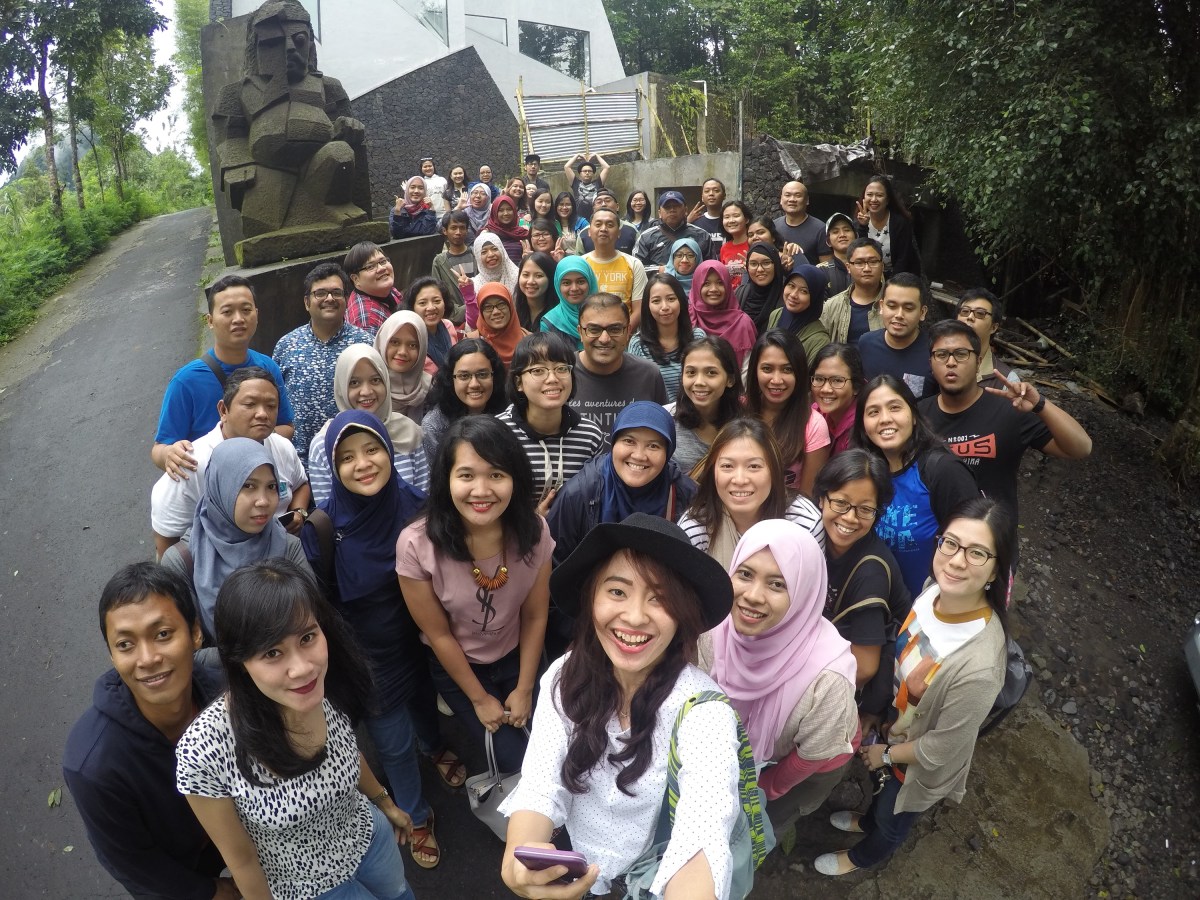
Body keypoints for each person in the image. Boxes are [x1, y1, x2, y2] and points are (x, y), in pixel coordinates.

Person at [498, 513, 743, 899]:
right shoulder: (565, 677)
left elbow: (704, 827)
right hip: (579, 862)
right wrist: (517, 859)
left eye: (660, 598)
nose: (634, 616)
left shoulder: (704, 712)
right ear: (591, 597)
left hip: (651, 875)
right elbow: (541, 783)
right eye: (617, 591)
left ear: (682, 615)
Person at [175, 559, 417, 900]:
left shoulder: (322, 685)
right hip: (310, 886)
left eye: (307, 637)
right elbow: (241, 861)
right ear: (239, 661)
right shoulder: (203, 751)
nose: (302, 668)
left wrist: (385, 803)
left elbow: (347, 751)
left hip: (370, 840)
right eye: (273, 652)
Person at [817, 497, 1010, 876]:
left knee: (893, 820)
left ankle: (862, 857)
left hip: (914, 763)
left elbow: (942, 749)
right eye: (950, 543)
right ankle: (866, 821)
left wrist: (888, 755)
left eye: (977, 553)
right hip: (892, 731)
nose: (956, 561)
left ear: (995, 570)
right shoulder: (931, 591)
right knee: (880, 797)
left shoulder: (980, 667)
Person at [303, 410, 445, 871]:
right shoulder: (322, 528)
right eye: (347, 458)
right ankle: (415, 814)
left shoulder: (419, 507)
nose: (362, 464)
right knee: (394, 743)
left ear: (389, 450)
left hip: (424, 642)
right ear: (333, 467)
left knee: (426, 704)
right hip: (370, 659)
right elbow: (321, 603)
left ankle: (436, 747)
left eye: (372, 449)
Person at [64, 563, 233, 900]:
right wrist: (212, 892)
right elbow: (133, 863)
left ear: (195, 633)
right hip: (179, 873)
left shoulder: (229, 696)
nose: (147, 659)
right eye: (125, 644)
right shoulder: (92, 765)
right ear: (112, 655)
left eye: (163, 634)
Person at [397, 417, 553, 773]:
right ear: (446, 479)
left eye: (496, 474)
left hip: (517, 655)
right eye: (466, 475)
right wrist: (480, 699)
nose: (481, 490)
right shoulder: (416, 544)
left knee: (548, 747)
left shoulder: (535, 531)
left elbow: (534, 615)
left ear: (515, 478)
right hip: (460, 665)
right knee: (514, 760)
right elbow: (439, 635)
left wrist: (525, 688)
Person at [703, 520, 860, 830]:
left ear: (804, 593)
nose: (753, 595)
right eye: (745, 574)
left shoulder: (829, 679)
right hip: (735, 751)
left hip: (803, 765)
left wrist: (763, 789)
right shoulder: (712, 629)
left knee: (760, 826)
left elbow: (813, 755)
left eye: (777, 584)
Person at [920, 319, 1092, 529]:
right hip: (938, 539)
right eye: (941, 354)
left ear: (978, 361)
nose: (951, 362)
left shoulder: (1011, 410)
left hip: (995, 539)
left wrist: (1040, 404)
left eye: (961, 354)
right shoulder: (918, 416)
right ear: (931, 363)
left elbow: (1081, 448)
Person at [160, 437, 312, 644]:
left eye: (271, 486)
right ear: (220, 487)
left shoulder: (288, 546)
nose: (263, 501)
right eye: (248, 486)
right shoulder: (183, 561)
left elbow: (310, 625)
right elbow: (182, 649)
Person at [151, 368, 310, 558]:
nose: (262, 414)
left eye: (271, 405)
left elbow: (301, 484)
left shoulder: (282, 447)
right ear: (223, 410)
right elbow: (167, 538)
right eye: (250, 404)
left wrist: (299, 511)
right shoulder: (191, 462)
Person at [152, 275, 295, 481]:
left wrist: (253, 439)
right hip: (209, 484)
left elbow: (286, 426)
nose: (238, 319)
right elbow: (160, 449)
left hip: (260, 481)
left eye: (246, 310)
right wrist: (170, 454)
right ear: (210, 321)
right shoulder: (187, 381)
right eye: (227, 312)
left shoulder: (268, 367)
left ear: (256, 314)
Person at [853, 374, 979, 598]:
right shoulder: (866, 474)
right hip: (880, 602)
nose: (885, 419)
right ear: (863, 425)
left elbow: (974, 546)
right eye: (873, 412)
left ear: (913, 416)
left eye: (894, 407)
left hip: (931, 605)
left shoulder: (943, 471)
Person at [812, 449, 911, 724]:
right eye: (841, 503)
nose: (850, 518)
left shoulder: (870, 572)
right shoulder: (814, 538)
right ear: (821, 499)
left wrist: (806, 693)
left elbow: (864, 668)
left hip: (860, 680)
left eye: (865, 509)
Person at [548, 401, 697, 567]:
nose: (639, 456)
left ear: (668, 452)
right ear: (614, 443)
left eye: (653, 446)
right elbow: (553, 566)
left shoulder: (687, 496)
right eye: (629, 441)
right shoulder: (579, 493)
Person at [678, 417, 824, 569]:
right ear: (713, 472)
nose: (740, 480)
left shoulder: (804, 523)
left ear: (774, 471)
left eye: (754, 466)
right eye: (727, 466)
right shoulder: (695, 529)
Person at [273, 263, 370, 464]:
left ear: (346, 299)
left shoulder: (365, 343)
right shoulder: (287, 345)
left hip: (352, 458)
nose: (329, 298)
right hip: (298, 461)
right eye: (320, 293)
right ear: (307, 302)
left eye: (337, 293)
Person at [497, 332, 605, 513]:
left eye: (561, 368)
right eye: (538, 370)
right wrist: (534, 521)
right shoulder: (498, 433)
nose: (553, 378)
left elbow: (596, 499)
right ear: (518, 382)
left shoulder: (590, 435)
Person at [308, 345, 431, 502]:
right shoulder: (324, 444)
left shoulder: (409, 432)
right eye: (354, 382)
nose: (366, 391)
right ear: (341, 387)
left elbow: (422, 501)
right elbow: (327, 508)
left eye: (375, 380)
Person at [570, 293, 669, 442]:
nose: (604, 339)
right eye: (594, 330)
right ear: (580, 332)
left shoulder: (648, 375)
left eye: (615, 329)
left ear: (628, 331)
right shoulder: (562, 373)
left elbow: (663, 432)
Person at [744, 329, 831, 497]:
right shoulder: (739, 410)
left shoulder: (814, 425)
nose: (777, 380)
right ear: (755, 371)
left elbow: (806, 498)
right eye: (767, 369)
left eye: (787, 369)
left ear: (799, 372)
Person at [420, 338, 507, 459]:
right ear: (450, 379)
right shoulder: (435, 425)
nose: (474, 384)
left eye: (482, 374)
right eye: (464, 376)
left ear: (494, 376)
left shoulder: (510, 415)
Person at [628, 273, 707, 403]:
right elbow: (636, 389)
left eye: (671, 299)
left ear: (681, 301)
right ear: (647, 306)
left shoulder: (698, 337)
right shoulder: (638, 344)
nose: (665, 307)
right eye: (656, 301)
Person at [857, 272, 936, 399]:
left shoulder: (935, 351)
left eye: (908, 308)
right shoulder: (866, 343)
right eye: (892, 306)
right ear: (881, 306)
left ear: (922, 312)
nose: (899, 315)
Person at [671, 336, 743, 473]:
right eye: (691, 372)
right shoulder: (668, 421)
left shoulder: (745, 427)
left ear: (730, 380)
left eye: (711, 373)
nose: (699, 382)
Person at [582, 207, 648, 326]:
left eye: (610, 225)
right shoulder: (581, 264)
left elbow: (639, 309)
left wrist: (621, 333)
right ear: (589, 231)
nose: (603, 229)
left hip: (624, 332)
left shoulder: (634, 264)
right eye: (598, 224)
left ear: (619, 233)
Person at [689, 260, 757, 367]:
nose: (713, 289)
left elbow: (747, 370)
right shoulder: (688, 318)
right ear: (697, 286)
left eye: (720, 283)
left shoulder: (742, 323)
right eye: (706, 283)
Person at [820, 237, 885, 345]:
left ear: (882, 266)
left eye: (873, 262)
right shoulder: (831, 306)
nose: (867, 268)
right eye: (859, 263)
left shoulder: (895, 303)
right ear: (848, 267)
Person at [854, 174, 922, 278]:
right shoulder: (857, 222)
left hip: (897, 276)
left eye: (879, 195)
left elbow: (903, 258)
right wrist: (863, 226)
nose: (874, 199)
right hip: (868, 275)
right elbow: (859, 253)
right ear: (864, 197)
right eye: (869, 194)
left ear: (887, 199)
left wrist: (891, 283)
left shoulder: (900, 222)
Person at [373, 310, 432, 422]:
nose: (402, 352)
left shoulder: (431, 391)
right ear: (383, 342)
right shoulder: (367, 391)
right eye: (395, 342)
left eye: (412, 345)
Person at [766, 262, 832, 361]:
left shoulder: (819, 340)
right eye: (791, 286)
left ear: (815, 297)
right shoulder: (776, 315)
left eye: (804, 291)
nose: (793, 295)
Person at [455, 232, 520, 330]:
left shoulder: (518, 277)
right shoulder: (473, 284)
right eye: (484, 252)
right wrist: (468, 293)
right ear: (478, 257)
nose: (491, 254)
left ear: (502, 250)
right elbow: (474, 323)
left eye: (495, 249)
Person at [810, 343, 866, 456]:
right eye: (819, 379)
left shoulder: (862, 431)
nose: (825, 389)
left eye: (837, 381)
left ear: (856, 387)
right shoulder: (815, 413)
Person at [634, 191, 714, 268]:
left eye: (676, 206)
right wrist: (660, 270)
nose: (672, 210)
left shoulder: (702, 236)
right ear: (659, 213)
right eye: (667, 207)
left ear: (685, 210)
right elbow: (637, 268)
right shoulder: (646, 237)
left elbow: (712, 267)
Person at [956, 288, 1014, 389]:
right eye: (965, 311)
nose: (970, 317)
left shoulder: (1007, 379)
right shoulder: (937, 362)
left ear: (993, 327)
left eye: (980, 313)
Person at [403, 276, 460, 376]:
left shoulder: (448, 326)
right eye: (422, 303)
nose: (431, 307)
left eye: (437, 301)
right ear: (412, 307)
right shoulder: (409, 338)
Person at [539, 255, 598, 352]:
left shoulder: (605, 316)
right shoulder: (550, 323)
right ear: (558, 285)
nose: (574, 288)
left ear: (590, 282)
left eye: (581, 281)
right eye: (566, 283)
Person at [345, 242, 403, 337]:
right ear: (356, 279)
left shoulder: (383, 289)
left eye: (383, 261)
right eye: (370, 267)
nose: (381, 268)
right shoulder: (367, 321)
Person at [469, 283, 528, 366]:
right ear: (481, 313)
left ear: (510, 307)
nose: (496, 312)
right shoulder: (471, 342)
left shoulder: (529, 340)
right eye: (488, 307)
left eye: (501, 305)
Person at [431, 210, 472, 325]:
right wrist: (463, 310)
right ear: (445, 230)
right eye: (453, 228)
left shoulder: (476, 256)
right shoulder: (439, 262)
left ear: (467, 230)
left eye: (462, 228)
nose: (458, 232)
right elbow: (437, 293)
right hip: (454, 320)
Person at [773, 181, 831, 263]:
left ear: (807, 200)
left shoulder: (821, 229)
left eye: (798, 195)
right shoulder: (773, 226)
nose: (792, 199)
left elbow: (827, 266)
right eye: (787, 195)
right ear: (781, 199)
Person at [734, 242, 786, 331]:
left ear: (776, 264)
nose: (760, 269)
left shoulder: (787, 298)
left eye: (766, 263)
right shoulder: (739, 294)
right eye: (753, 264)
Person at [575, 190, 638, 255]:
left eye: (607, 201)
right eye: (599, 202)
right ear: (593, 208)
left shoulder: (631, 230)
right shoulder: (584, 234)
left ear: (617, 206)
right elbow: (579, 260)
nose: (603, 204)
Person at [513, 251, 559, 332]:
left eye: (538, 276)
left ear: (550, 278)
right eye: (526, 275)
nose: (530, 281)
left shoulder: (559, 316)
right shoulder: (513, 311)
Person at [719, 200, 754, 288]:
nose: (731, 220)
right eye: (727, 217)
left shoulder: (754, 243)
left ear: (746, 219)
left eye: (736, 216)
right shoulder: (724, 248)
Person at [819, 212, 856, 297]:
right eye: (835, 232)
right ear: (828, 242)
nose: (842, 235)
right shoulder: (821, 270)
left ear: (856, 236)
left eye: (847, 230)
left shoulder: (867, 266)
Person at [564, 152, 610, 218]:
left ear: (593, 173)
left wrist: (596, 155)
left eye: (589, 171)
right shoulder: (575, 183)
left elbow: (607, 167)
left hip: (594, 217)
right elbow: (566, 167)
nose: (587, 173)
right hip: (579, 219)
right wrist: (577, 155)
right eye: (585, 171)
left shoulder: (597, 183)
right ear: (580, 173)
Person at [689, 178, 728, 254]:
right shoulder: (694, 222)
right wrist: (686, 222)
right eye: (707, 191)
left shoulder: (730, 221)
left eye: (716, 190)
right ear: (702, 197)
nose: (711, 194)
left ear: (724, 195)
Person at [487, 194, 529, 264]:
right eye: (501, 210)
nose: (506, 213)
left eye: (509, 209)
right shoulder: (487, 233)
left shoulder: (522, 233)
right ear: (494, 212)